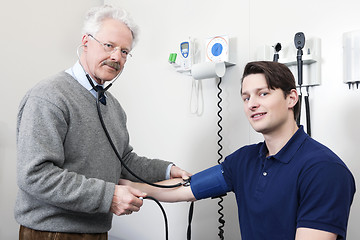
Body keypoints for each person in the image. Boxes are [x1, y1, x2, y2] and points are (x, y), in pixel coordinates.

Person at [120, 61, 356, 240]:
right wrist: (130, 187)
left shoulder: (324, 170)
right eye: (246, 97)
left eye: (263, 93)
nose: (252, 104)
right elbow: (185, 189)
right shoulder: (244, 160)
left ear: (291, 98)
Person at [15, 5, 190, 240]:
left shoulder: (113, 107)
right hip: (52, 233)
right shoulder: (49, 96)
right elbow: (35, 175)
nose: (117, 57)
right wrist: (108, 196)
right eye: (109, 45)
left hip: (97, 231)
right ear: (86, 41)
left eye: (125, 51)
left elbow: (124, 160)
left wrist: (167, 170)